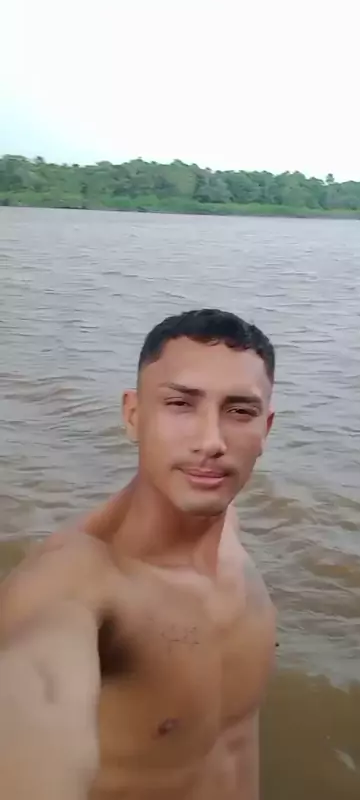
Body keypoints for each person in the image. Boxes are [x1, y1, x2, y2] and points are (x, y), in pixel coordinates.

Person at [0, 308, 277, 800]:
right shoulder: (76, 584)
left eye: (239, 411)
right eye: (180, 404)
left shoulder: (226, 528)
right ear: (133, 415)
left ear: (266, 429)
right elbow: (34, 709)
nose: (212, 441)